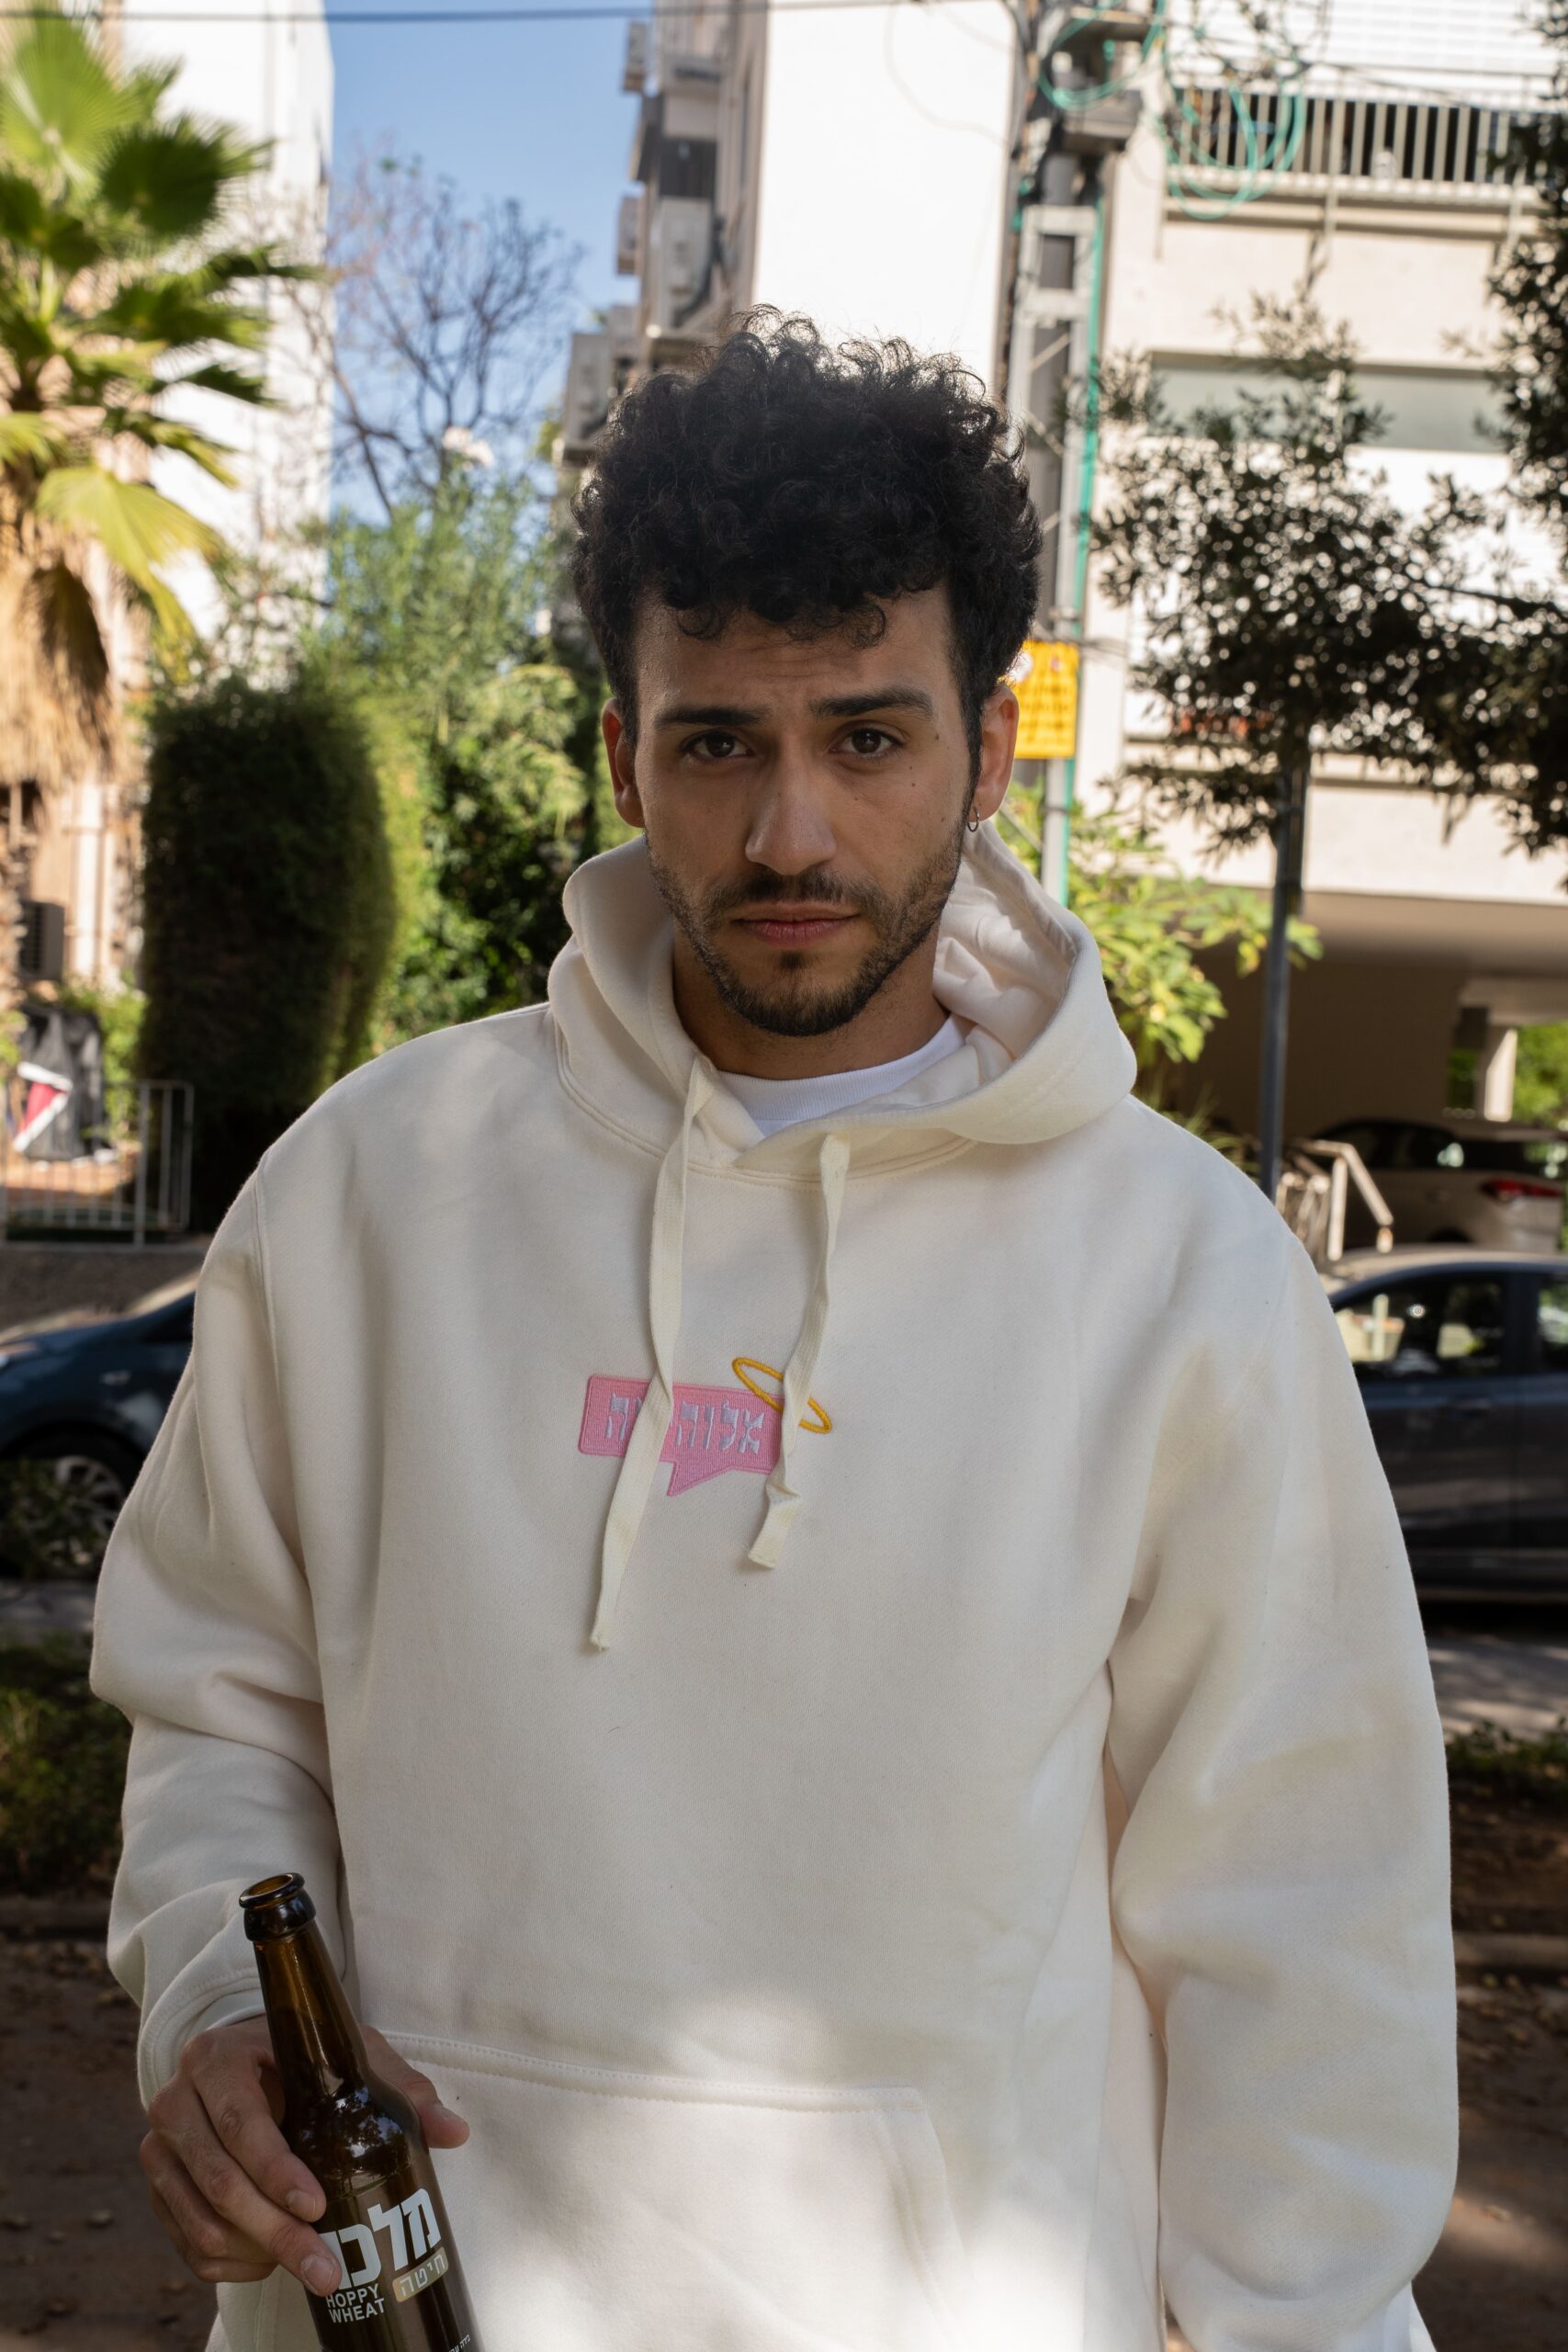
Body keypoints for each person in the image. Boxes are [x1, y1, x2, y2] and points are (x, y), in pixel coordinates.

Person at [91, 312, 1457, 2352]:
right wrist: (216, 1997)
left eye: (869, 739)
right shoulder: (370, 1192)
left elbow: (1299, 1904)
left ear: (990, 748)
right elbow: (219, 1702)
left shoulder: (1179, 1273)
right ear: (622, 753)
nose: (791, 833)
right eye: (718, 742)